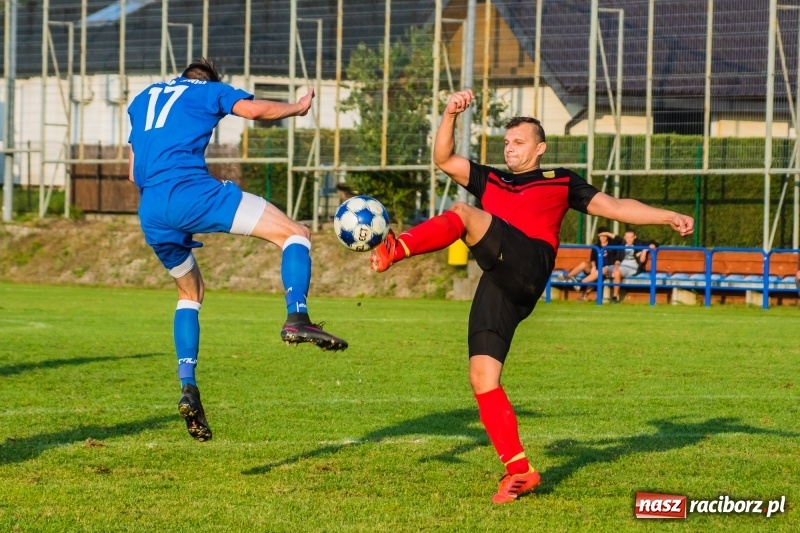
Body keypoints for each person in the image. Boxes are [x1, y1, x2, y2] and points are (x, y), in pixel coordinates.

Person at [369, 89, 694, 504]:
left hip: (530, 264)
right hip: (500, 281)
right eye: (506, 142)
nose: (510, 149)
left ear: (539, 148)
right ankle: (519, 471)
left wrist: (667, 215)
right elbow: (444, 158)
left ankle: (396, 249)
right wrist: (449, 114)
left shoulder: (560, 180)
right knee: (482, 378)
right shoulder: (491, 179)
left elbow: (614, 206)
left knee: (463, 213)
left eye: (519, 142)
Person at [127, 59, 347, 442]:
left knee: (190, 293)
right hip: (191, 192)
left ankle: (188, 384)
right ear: (211, 81)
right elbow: (255, 110)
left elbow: (133, 173)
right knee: (295, 234)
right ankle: (297, 316)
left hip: (151, 210)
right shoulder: (210, 91)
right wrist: (297, 107)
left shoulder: (143, 98)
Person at [608, 227, 649, 303]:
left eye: (631, 237)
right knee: (603, 270)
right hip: (621, 266)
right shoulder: (622, 246)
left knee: (617, 273)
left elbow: (652, 243)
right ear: (625, 237)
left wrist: (644, 251)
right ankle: (584, 287)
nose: (629, 239)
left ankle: (614, 297)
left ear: (635, 237)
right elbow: (618, 259)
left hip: (631, 268)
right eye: (627, 237)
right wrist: (616, 267)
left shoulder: (639, 245)